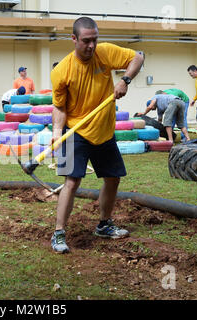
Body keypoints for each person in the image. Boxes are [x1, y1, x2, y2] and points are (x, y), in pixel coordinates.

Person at [50, 17, 144, 253]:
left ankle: (104, 224)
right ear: (74, 39)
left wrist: (125, 80)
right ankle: (59, 233)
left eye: (94, 40)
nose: (91, 46)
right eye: (86, 41)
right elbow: (59, 107)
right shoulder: (62, 71)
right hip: (76, 131)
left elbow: (138, 57)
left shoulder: (105, 53)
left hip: (103, 129)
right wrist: (57, 132)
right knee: (72, 181)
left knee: (113, 178)